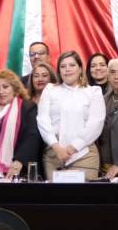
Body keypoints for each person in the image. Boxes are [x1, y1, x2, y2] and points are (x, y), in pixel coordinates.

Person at [37, 51, 105, 180]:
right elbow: (42, 120)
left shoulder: (93, 92)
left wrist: (73, 148)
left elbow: (96, 123)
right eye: (63, 66)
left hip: (84, 154)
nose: (67, 69)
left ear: (80, 69)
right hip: (54, 154)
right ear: (59, 71)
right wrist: (56, 147)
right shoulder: (50, 89)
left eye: (72, 65)